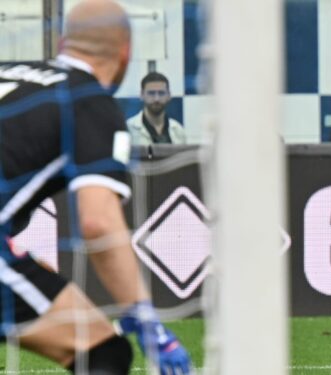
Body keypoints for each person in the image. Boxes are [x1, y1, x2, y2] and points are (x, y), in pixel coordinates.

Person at [0, 1, 191, 373]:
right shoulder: (89, 101)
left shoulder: (10, 72)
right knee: (102, 353)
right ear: (126, 52)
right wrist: (145, 317)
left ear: (61, 43)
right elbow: (98, 223)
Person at [127, 72, 187, 145]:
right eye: (151, 93)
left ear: (169, 95)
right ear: (141, 95)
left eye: (161, 93)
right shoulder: (128, 129)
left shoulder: (178, 130)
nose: (156, 99)